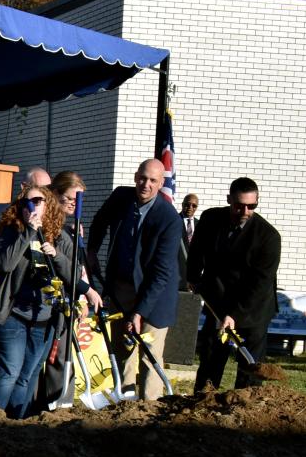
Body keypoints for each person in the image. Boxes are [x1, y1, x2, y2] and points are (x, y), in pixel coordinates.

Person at [86, 159, 183, 400]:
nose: (146, 184)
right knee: (122, 349)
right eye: (143, 178)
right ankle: (125, 403)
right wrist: (91, 251)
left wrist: (139, 312)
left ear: (161, 184)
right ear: (135, 176)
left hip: (155, 295)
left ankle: (149, 410)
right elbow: (99, 221)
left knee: (149, 354)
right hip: (121, 287)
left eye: (153, 181)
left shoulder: (169, 218)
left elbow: (162, 273)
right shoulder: (121, 197)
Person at [0, 186, 77, 418]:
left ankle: (17, 423)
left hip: (44, 317)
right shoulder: (11, 230)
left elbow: (73, 275)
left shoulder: (59, 235)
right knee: (10, 372)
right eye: (25, 203)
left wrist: (56, 255)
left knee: (28, 374)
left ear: (48, 205)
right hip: (13, 314)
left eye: (37, 201)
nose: (31, 206)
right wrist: (28, 232)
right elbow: (5, 264)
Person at [188, 177, 281, 390]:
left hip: (253, 308)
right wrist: (193, 277)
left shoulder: (268, 237)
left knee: (249, 366)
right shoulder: (211, 219)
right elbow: (196, 251)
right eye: (239, 205)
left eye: (251, 206)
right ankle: (202, 402)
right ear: (229, 199)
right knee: (211, 356)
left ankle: (243, 411)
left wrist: (235, 315)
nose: (245, 211)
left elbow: (260, 284)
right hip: (218, 303)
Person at [37, 171, 103, 410]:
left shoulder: (72, 229)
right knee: (45, 357)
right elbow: (61, 265)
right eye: (70, 198)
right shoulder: (49, 227)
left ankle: (59, 403)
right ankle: (42, 404)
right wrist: (85, 291)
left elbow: (78, 267)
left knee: (62, 355)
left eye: (79, 199)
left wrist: (82, 296)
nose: (75, 204)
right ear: (54, 195)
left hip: (67, 299)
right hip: (47, 300)